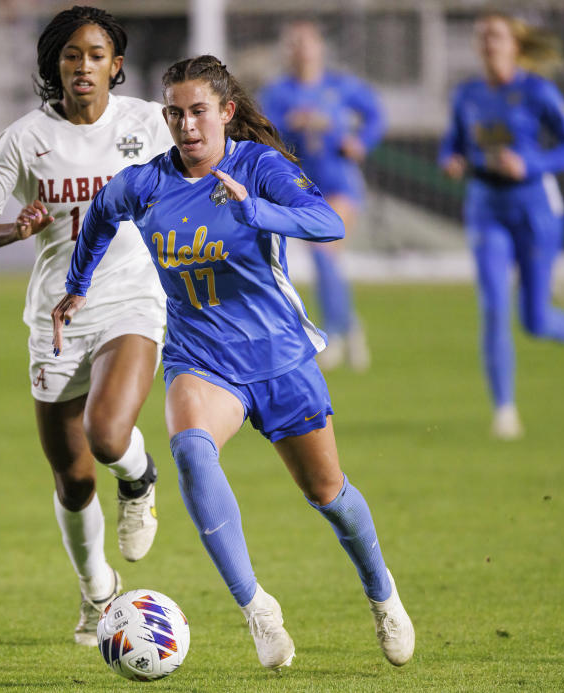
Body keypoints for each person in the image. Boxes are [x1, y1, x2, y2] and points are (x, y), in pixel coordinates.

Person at [52, 55, 414, 671]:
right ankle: (258, 611)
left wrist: (258, 212)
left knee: (327, 492)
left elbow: (326, 223)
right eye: (175, 112)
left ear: (226, 112)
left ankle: (382, 594)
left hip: (278, 357)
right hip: (201, 357)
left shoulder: (260, 166)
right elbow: (102, 215)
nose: (187, 125)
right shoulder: (147, 183)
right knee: (191, 450)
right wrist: (77, 284)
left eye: (198, 111)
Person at [0, 6, 175, 646]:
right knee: (73, 476)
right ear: (56, 66)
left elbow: (199, 165)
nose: (84, 66)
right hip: (56, 316)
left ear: (117, 65)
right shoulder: (27, 138)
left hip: (131, 300)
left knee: (108, 435)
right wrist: (15, 228)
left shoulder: (147, 123)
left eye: (96, 54)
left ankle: (139, 479)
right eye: (71, 55)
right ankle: (96, 593)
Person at [439, 12, 564, 440]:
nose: (488, 42)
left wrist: (530, 164)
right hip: (486, 207)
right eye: (482, 36)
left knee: (533, 319)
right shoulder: (468, 94)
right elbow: (452, 143)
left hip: (535, 210)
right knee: (493, 306)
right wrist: (451, 160)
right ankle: (505, 411)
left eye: (496, 35)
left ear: (515, 44)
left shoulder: (537, 91)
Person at [259, 21, 385, 372]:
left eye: (306, 42)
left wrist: (361, 142)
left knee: (324, 251)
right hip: (301, 189)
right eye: (293, 43)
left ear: (319, 47)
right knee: (327, 260)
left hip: (341, 184)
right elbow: (266, 134)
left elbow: (375, 115)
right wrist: (290, 125)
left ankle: (334, 334)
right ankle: (349, 324)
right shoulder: (278, 93)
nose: (300, 49)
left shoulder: (340, 86)